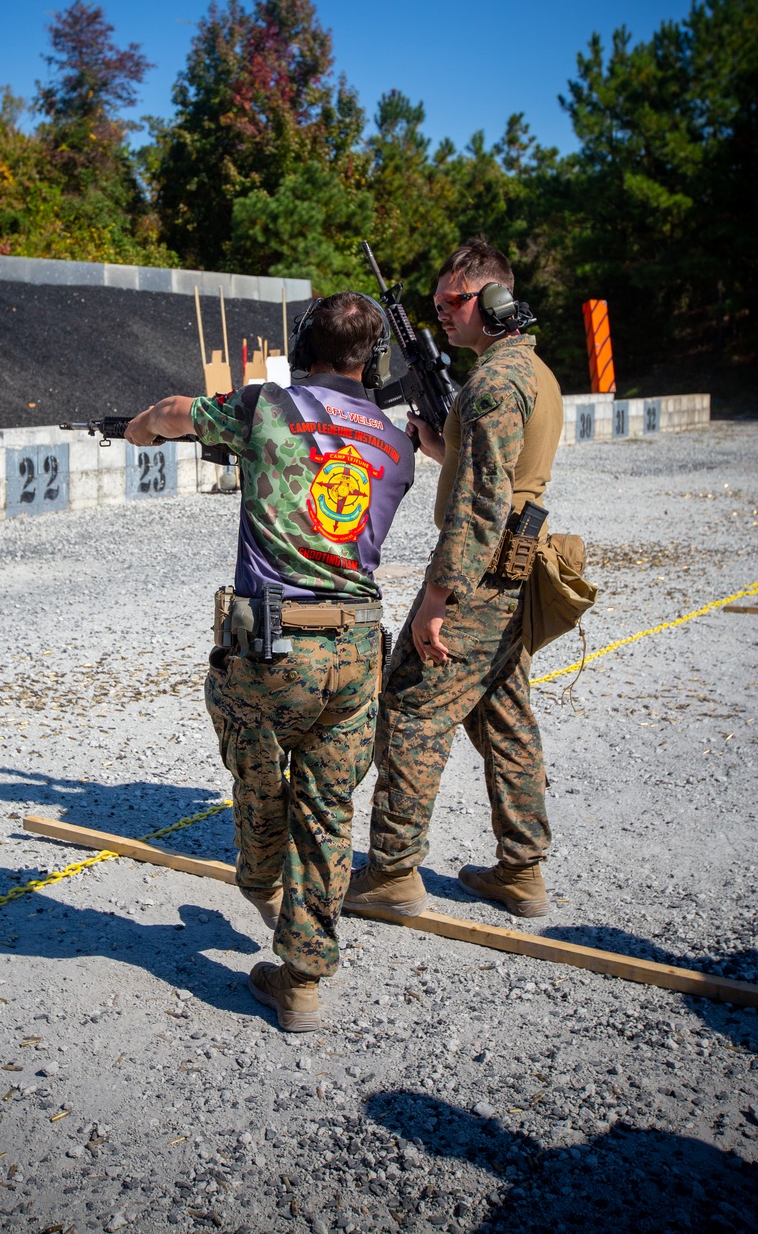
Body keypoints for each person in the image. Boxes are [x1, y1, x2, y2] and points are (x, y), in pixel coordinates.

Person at [125, 293, 415, 1031]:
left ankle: (262, 881)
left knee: (258, 773)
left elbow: (174, 413)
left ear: (301, 346)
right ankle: (302, 981)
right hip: (357, 644)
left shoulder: (266, 407)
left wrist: (137, 430)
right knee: (327, 807)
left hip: (273, 639)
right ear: (370, 360)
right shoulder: (395, 440)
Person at [344, 239, 563, 922]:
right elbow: (493, 471)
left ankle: (392, 874)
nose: (440, 313)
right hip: (511, 571)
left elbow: (480, 503)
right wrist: (444, 447)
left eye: (453, 302)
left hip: (479, 575)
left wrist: (437, 599)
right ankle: (522, 869)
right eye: (436, 303)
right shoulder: (527, 371)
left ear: (493, 301)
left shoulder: (495, 384)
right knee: (504, 717)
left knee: (410, 707)